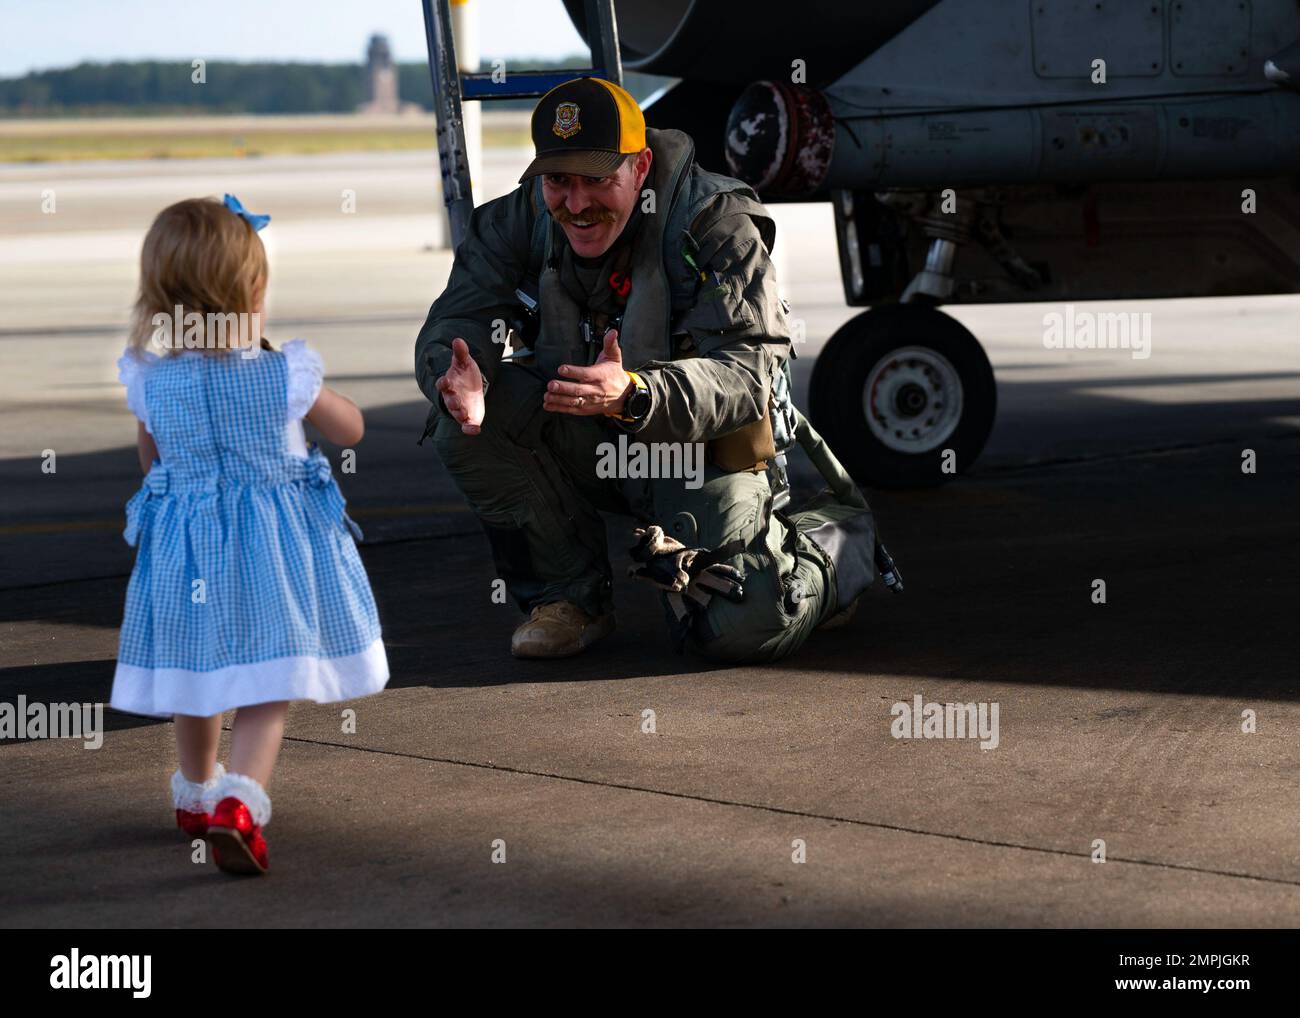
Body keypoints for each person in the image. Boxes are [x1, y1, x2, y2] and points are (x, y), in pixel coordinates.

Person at [416, 78, 879, 663]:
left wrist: (637, 394)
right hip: (589, 435)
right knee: (461, 424)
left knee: (745, 625)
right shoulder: (517, 221)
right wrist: (459, 375)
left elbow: (751, 371)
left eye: (597, 181)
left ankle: (827, 557)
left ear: (639, 167)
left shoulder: (717, 222)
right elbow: (460, 315)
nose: (576, 204)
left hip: (697, 447)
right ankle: (568, 599)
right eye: (559, 181)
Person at [112, 195, 389, 875]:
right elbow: (349, 429)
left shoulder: (150, 379)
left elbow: (153, 460)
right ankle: (241, 801)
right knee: (270, 679)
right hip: (273, 551)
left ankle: (195, 793)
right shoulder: (285, 373)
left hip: (185, 549)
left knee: (193, 673)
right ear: (251, 291)